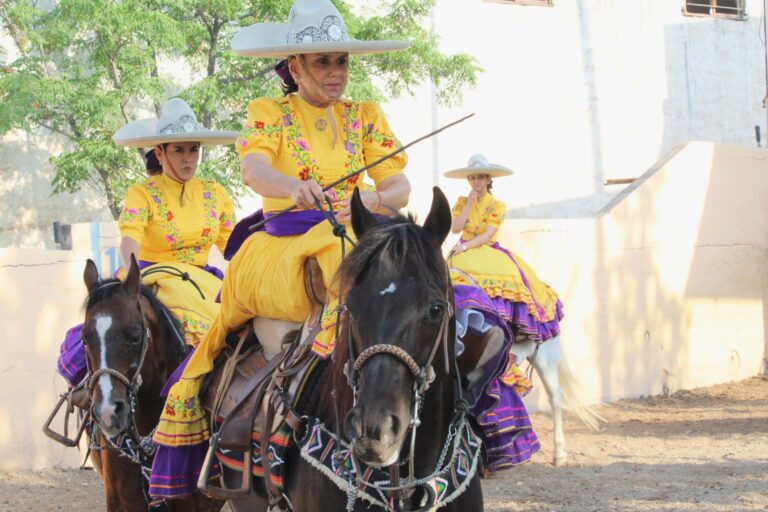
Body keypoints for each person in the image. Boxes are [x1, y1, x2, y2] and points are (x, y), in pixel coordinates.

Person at [149, 0, 411, 501]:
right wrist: (293, 187)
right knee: (340, 264)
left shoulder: (365, 115)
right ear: (295, 67)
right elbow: (254, 171)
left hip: (359, 231)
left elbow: (399, 186)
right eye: (322, 61)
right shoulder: (269, 112)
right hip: (286, 243)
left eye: (341, 61)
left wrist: (371, 199)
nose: (335, 72)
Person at [56, 98, 237, 389]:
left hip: (202, 282)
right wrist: (131, 281)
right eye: (178, 150)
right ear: (160, 153)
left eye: (194, 149)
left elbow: (233, 246)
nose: (188, 158)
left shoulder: (215, 193)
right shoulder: (143, 193)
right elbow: (130, 241)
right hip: (153, 279)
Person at [445, 154, 564, 473]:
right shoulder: (460, 201)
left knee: (504, 286)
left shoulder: (498, 205)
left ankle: (511, 336)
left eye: (480, 178)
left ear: (488, 180)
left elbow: (487, 234)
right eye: (471, 178)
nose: (476, 182)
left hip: (482, 251)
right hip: (461, 251)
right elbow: (455, 227)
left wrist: (467, 246)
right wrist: (467, 206)